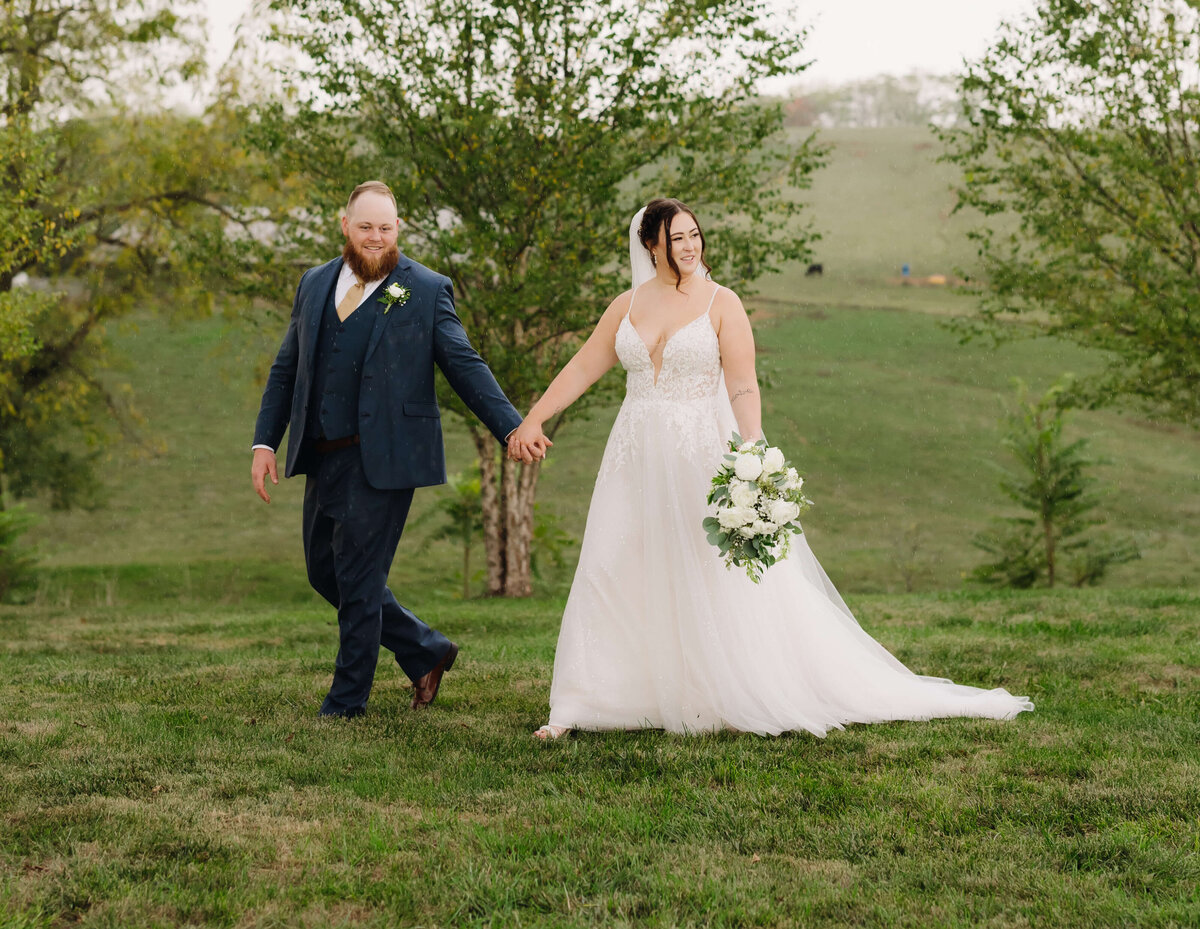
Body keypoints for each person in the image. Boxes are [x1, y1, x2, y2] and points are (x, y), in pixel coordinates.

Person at [508, 198, 1033, 738]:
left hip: (699, 454)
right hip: (633, 456)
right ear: (650, 245)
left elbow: (741, 383)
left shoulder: (721, 302)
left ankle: (722, 688)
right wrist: (534, 419)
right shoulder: (627, 304)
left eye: (694, 235)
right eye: (676, 239)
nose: (689, 247)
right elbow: (585, 364)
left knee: (707, 572)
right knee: (609, 563)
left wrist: (753, 449)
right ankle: (582, 703)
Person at [251, 181, 539, 719]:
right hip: (322, 452)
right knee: (324, 573)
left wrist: (512, 428)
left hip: (386, 456)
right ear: (345, 225)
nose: (376, 238)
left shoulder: (426, 289)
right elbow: (287, 368)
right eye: (365, 227)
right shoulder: (313, 284)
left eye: (386, 228)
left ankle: (345, 704)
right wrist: (266, 441)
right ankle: (426, 649)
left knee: (359, 580)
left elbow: (464, 364)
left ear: (398, 228)